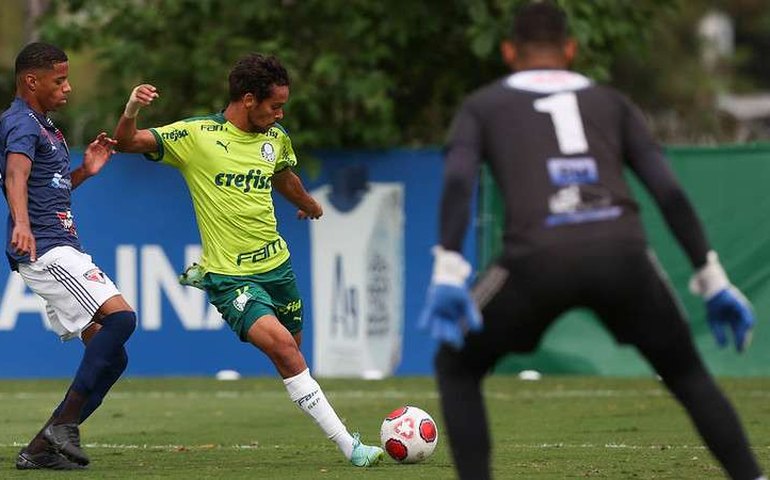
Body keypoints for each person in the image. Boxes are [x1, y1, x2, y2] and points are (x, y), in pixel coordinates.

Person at [418, 3, 765, 480]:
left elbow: (458, 181)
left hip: (536, 260)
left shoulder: (483, 105)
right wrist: (713, 279)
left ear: (507, 51)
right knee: (686, 371)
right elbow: (669, 192)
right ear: (571, 49)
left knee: (456, 363)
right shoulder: (612, 101)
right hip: (622, 255)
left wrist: (448, 270)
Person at [112, 53, 384, 468]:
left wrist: (309, 203)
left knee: (292, 352)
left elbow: (282, 177)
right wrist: (132, 109)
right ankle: (352, 447)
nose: (280, 114)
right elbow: (128, 142)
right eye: (275, 106)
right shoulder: (197, 135)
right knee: (286, 353)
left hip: (278, 267)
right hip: (230, 276)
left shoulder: (275, 138)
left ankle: (339, 432)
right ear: (248, 99)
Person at [0, 42, 137, 470]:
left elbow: (46, 187)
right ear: (31, 81)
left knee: (113, 355)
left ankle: (41, 449)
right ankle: (63, 426)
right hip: (45, 247)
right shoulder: (21, 123)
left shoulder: (45, 127)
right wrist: (21, 223)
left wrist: (85, 171)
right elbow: (15, 175)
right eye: (59, 80)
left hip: (55, 243)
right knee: (122, 318)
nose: (68, 87)